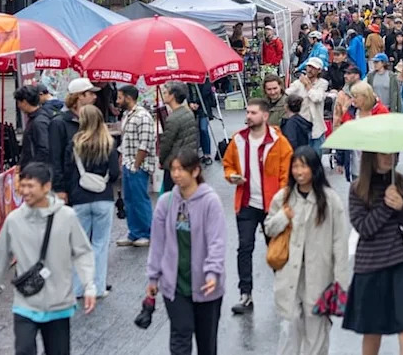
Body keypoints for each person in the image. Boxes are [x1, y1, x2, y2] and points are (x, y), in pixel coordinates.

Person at [0, 162, 96, 355]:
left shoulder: (67, 217)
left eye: (30, 186)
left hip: (58, 302)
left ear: (46, 187)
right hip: (25, 302)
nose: (24, 191)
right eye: (22, 185)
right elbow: (1, 257)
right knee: (24, 349)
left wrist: (89, 286)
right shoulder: (14, 220)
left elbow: (82, 252)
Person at [263, 146, 351, 355]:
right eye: (295, 166)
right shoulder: (283, 197)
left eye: (304, 166)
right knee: (289, 327)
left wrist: (340, 281)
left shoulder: (330, 201)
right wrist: (284, 216)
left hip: (320, 276)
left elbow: (339, 242)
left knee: (317, 332)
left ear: (314, 169)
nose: (299, 172)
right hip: (289, 274)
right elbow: (269, 228)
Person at [343, 151, 403, 355]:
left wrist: (402, 207)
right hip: (371, 266)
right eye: (383, 154)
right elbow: (364, 228)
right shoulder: (358, 190)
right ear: (372, 156)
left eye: (393, 153)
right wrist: (387, 206)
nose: (389, 157)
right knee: (372, 331)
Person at [146, 149, 227, 355]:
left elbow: (217, 241)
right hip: (175, 285)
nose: (176, 174)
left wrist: (212, 273)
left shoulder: (210, 201)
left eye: (181, 169)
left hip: (206, 286)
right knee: (180, 336)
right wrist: (153, 277)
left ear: (195, 171)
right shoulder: (166, 202)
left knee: (206, 343)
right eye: (173, 169)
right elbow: (157, 242)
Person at [222, 98, 293, 315]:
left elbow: (285, 174)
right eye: (247, 112)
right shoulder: (238, 140)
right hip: (246, 203)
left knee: (276, 250)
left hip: (272, 206)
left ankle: (286, 291)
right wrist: (231, 176)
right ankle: (245, 295)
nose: (248, 116)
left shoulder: (279, 143)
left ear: (264, 116)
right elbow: (228, 164)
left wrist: (281, 202)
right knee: (244, 248)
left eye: (253, 113)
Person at [66, 104, 120, 300]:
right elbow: (114, 173)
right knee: (100, 243)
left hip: (80, 197)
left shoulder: (75, 143)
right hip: (103, 197)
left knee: (81, 245)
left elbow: (67, 170)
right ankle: (97, 287)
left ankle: (79, 288)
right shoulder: (109, 143)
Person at [117, 84, 156, 248]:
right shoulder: (127, 115)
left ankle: (146, 232)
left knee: (140, 199)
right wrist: (122, 156)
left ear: (128, 97)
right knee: (129, 199)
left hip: (138, 165)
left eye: (120, 97)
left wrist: (136, 164)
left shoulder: (143, 116)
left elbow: (145, 143)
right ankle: (133, 232)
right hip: (127, 162)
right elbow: (126, 139)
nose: (117, 101)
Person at [49, 78, 98, 203]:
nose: (95, 97)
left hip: (89, 185)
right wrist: (59, 188)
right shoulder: (59, 123)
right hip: (70, 186)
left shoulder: (89, 120)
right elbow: (55, 157)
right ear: (80, 96)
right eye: (91, 93)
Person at [158, 81, 200, 192]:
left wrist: (161, 160)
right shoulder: (188, 112)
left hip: (174, 161)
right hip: (187, 160)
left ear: (172, 96)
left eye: (166, 92)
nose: (164, 95)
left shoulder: (172, 119)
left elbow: (166, 144)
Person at [287, 57, 330, 152]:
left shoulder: (322, 84)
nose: (310, 70)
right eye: (309, 67)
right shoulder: (298, 83)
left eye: (313, 68)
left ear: (319, 70)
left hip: (317, 128)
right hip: (301, 128)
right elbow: (287, 94)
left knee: (316, 160)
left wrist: (307, 86)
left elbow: (316, 98)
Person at [14, 85, 55, 169]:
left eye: (18, 102)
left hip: (36, 171)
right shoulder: (40, 116)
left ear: (24, 102)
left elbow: (44, 149)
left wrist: (33, 169)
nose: (18, 106)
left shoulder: (38, 122)